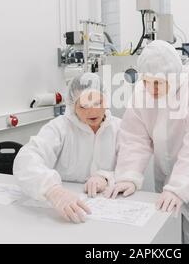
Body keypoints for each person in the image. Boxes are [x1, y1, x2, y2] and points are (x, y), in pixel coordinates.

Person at [104, 40, 189, 244]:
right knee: (168, 235)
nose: (151, 88)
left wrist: (179, 187)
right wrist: (128, 176)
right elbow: (135, 139)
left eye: (159, 83)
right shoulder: (142, 91)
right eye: (147, 81)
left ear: (175, 77)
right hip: (167, 176)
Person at [13, 73, 121, 224]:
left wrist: (106, 177)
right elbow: (26, 160)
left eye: (98, 103)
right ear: (72, 105)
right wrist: (53, 191)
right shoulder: (59, 127)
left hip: (111, 209)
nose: (92, 111)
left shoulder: (120, 128)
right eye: (84, 106)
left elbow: (133, 167)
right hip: (64, 210)